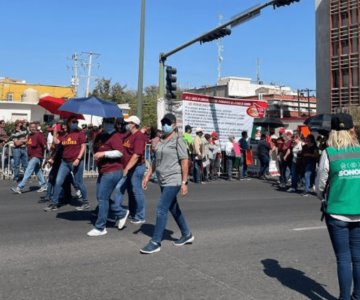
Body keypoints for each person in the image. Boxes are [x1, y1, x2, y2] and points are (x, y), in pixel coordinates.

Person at [316, 113, 360, 300]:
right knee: (358, 258)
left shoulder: (329, 153)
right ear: (352, 130)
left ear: (332, 132)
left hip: (337, 212)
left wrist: (323, 197)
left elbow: (320, 185)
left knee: (343, 258)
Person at [141, 113, 194, 254]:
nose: (165, 125)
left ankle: (155, 241)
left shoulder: (179, 140)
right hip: (162, 179)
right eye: (163, 122)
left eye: (168, 123)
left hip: (174, 179)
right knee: (173, 207)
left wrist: (184, 182)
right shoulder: (161, 140)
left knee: (161, 208)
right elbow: (154, 161)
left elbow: (184, 162)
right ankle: (187, 234)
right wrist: (147, 175)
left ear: (174, 125)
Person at [87, 118, 126, 237]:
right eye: (104, 121)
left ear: (113, 124)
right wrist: (91, 142)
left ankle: (100, 227)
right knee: (101, 197)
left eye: (108, 122)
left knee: (103, 198)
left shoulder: (115, 136)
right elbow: (94, 148)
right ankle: (121, 212)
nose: (106, 124)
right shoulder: (101, 135)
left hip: (113, 170)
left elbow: (120, 152)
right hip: (103, 170)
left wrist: (104, 154)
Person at [43, 116, 88, 211]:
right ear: (68, 123)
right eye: (73, 121)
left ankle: (85, 202)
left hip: (76, 162)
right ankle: (55, 203)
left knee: (79, 182)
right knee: (58, 181)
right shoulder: (66, 135)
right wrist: (55, 132)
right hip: (65, 162)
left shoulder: (80, 134)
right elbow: (57, 142)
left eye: (76, 121)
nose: (75, 123)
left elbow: (83, 147)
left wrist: (78, 159)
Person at [122, 115, 148, 224]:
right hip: (130, 167)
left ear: (133, 124)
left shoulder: (139, 136)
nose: (126, 124)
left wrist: (127, 168)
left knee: (137, 191)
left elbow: (137, 154)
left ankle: (140, 216)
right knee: (131, 191)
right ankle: (133, 213)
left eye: (128, 122)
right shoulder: (128, 135)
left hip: (137, 168)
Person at [11, 122, 47, 194]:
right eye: (31, 127)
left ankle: (19, 187)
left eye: (34, 127)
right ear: (29, 128)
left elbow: (45, 145)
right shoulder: (30, 135)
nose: (32, 128)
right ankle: (44, 185)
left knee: (28, 170)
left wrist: (42, 156)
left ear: (36, 127)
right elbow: (28, 144)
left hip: (37, 156)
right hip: (32, 156)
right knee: (38, 171)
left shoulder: (39, 135)